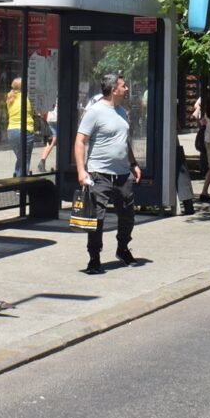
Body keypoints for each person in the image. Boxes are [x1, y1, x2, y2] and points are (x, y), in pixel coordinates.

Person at [74, 72, 140, 275]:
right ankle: (94, 258)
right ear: (113, 90)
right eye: (123, 86)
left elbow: (124, 140)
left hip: (122, 174)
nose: (127, 89)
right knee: (98, 219)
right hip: (99, 174)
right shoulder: (94, 112)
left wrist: (133, 163)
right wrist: (81, 171)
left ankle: (123, 249)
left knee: (128, 216)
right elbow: (80, 141)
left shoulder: (122, 111)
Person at [5, 78, 43, 177]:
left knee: (20, 158)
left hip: (12, 131)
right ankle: (20, 184)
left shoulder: (10, 98)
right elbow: (37, 110)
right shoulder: (27, 98)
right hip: (25, 130)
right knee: (24, 160)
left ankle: (17, 179)